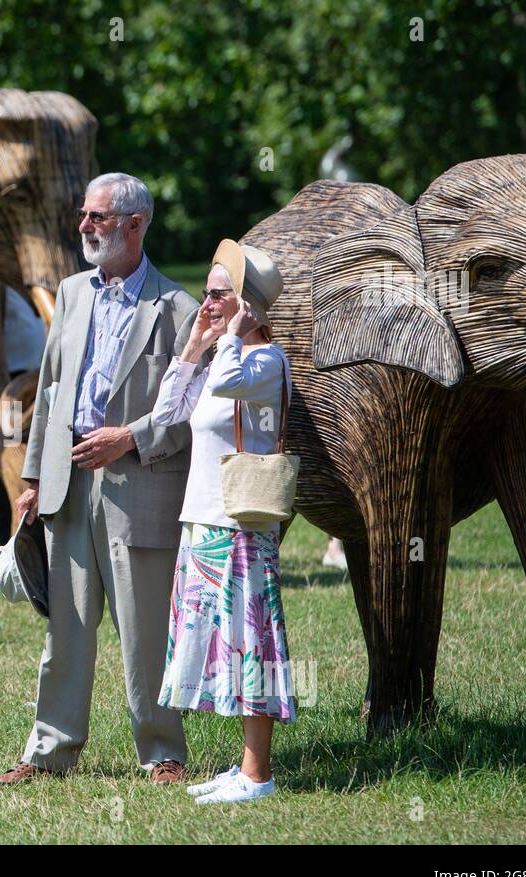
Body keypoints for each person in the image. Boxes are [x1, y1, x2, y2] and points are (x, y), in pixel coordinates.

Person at [0, 172, 204, 786]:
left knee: (144, 632)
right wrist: (33, 477)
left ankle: (163, 752)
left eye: (98, 218)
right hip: (67, 486)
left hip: (140, 486)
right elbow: (51, 392)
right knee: (67, 629)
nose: (84, 227)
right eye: (84, 215)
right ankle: (49, 752)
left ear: (135, 226)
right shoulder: (72, 292)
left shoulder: (178, 310)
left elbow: (191, 414)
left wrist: (129, 438)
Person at [150, 239, 296, 804]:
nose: (206, 303)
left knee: (248, 643)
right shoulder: (223, 355)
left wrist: (230, 337)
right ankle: (244, 768)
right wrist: (194, 346)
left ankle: (259, 775)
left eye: (219, 294)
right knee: (223, 645)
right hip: (205, 521)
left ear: (248, 303)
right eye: (206, 293)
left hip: (241, 524)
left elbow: (236, 386)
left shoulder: (263, 360)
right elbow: (167, 414)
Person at [0, 286, 47, 553]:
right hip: (11, 381)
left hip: (40, 377)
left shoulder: (38, 289)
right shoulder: (1, 290)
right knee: (7, 456)